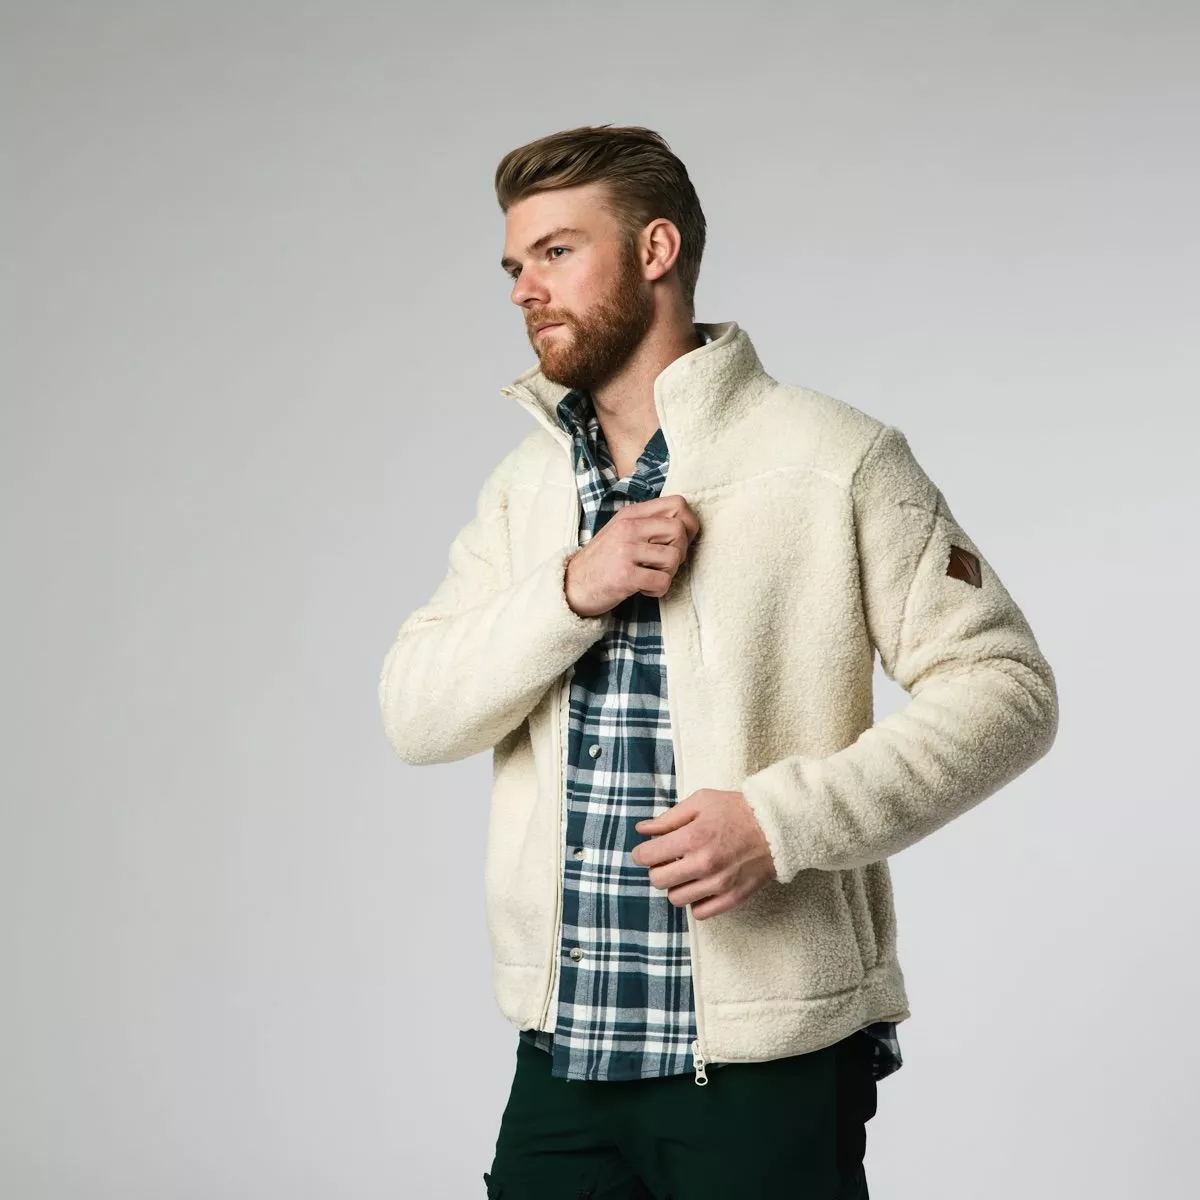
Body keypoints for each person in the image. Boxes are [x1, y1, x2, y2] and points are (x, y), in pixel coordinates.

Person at [378, 124, 1058, 1199]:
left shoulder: (832, 458)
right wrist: (574, 586)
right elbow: (415, 714)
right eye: (514, 265)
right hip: (564, 1052)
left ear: (656, 251)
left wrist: (779, 823)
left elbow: (1006, 691)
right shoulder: (524, 493)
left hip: (763, 1064)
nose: (524, 289)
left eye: (557, 252)